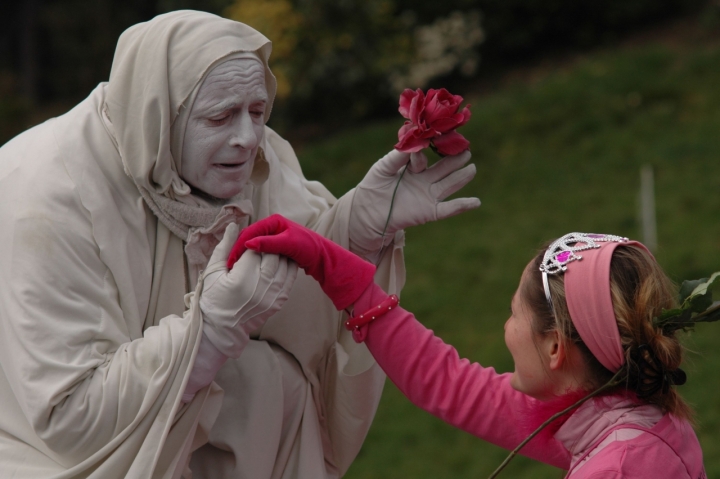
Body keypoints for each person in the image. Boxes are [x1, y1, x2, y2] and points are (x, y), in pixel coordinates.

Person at [0, 10, 480, 479]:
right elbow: (69, 417)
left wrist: (356, 231)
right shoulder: (46, 196)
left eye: (257, 111)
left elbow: (288, 316)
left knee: (271, 380)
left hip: (183, 425)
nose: (250, 138)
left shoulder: (249, 157)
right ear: (159, 115)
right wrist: (208, 332)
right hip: (43, 453)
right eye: (222, 116)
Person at [237, 215, 707, 478]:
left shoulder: (619, 468)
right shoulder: (609, 405)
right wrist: (348, 282)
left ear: (554, 349)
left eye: (514, 315)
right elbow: (452, 385)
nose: (505, 328)